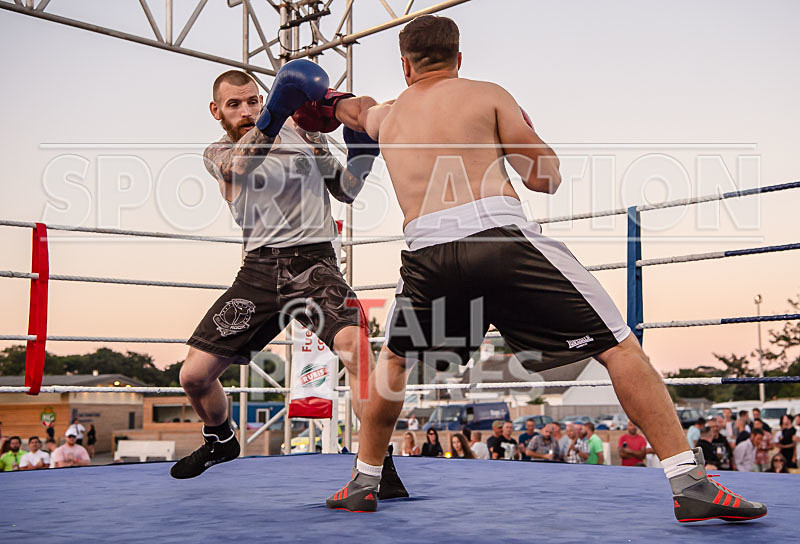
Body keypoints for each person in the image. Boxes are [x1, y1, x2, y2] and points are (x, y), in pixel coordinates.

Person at [324, 15, 767, 521]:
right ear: (459, 58)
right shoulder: (488, 94)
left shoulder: (386, 116)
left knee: (394, 362)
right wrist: (529, 136)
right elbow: (544, 179)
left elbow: (352, 109)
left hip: (427, 254)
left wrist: (326, 103)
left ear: (405, 65)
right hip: (499, 240)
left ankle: (364, 480)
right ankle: (689, 482)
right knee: (619, 347)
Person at [170, 62, 407, 500]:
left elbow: (345, 190)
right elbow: (241, 167)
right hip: (258, 273)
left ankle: (379, 463)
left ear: (265, 98)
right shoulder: (217, 152)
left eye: (253, 101)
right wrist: (275, 113)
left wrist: (363, 158)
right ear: (216, 110)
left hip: (316, 267)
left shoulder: (306, 134)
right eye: (234, 104)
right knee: (194, 376)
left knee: (357, 351)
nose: (246, 110)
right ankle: (220, 439)